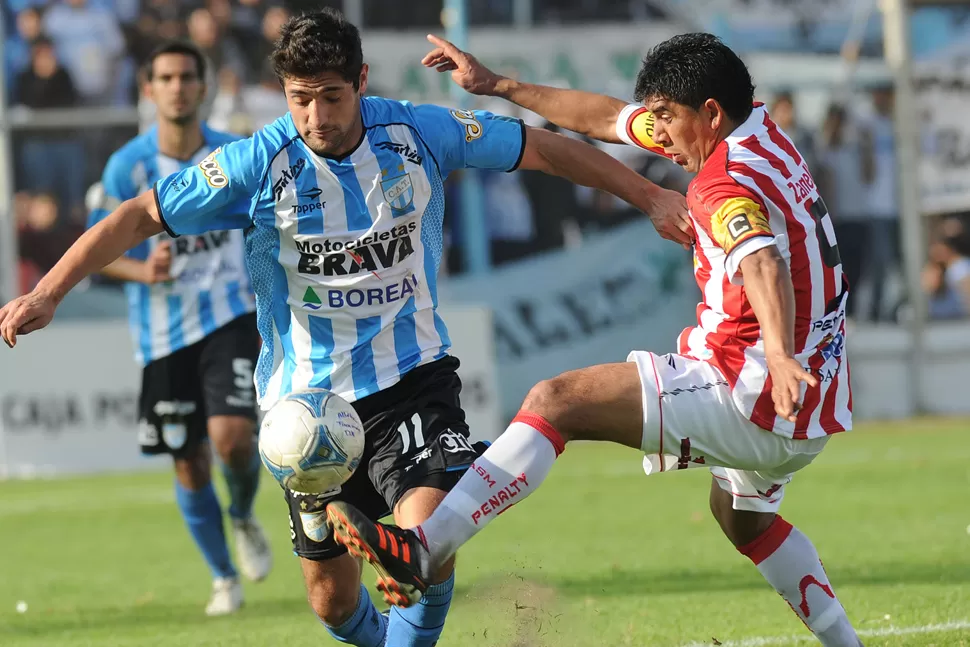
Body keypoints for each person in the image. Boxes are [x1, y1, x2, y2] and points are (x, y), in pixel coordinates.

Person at [0, 10, 690, 647]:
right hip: (306, 409)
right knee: (332, 603)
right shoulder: (255, 163)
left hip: (412, 380)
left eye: (331, 96)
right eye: (300, 98)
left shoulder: (421, 132)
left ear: (361, 81)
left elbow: (542, 150)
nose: (316, 115)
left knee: (426, 542)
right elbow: (138, 215)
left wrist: (651, 193)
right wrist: (49, 289)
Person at [324, 33, 865, 647]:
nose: (659, 136)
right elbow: (606, 117)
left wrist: (776, 354)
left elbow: (761, 259)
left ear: (710, 113)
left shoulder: (720, 181)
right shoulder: (766, 139)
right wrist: (499, 86)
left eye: (668, 120)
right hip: (812, 405)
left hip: (752, 389)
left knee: (558, 401)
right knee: (741, 519)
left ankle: (426, 549)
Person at [85, 41, 271, 616]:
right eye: (165, 77)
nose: (177, 87)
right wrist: (144, 268)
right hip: (163, 332)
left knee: (233, 440)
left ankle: (241, 513)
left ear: (203, 85)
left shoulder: (234, 154)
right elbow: (97, 248)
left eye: (187, 76)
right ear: (148, 89)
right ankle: (223, 578)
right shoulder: (127, 166)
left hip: (232, 317)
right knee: (188, 459)